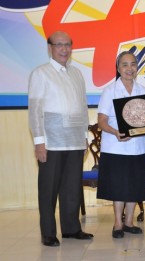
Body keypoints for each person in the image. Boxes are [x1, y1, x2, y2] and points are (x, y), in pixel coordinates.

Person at [28, 31, 93, 247]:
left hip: (75, 139)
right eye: (59, 45)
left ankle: (71, 229)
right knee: (48, 188)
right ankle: (48, 233)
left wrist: (85, 136)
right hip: (52, 141)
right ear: (50, 48)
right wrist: (39, 141)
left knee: (72, 187)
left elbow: (83, 107)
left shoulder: (76, 73)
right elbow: (35, 110)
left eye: (67, 44)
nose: (64, 49)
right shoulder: (41, 73)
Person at [97, 51, 145, 239]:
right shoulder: (110, 91)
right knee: (119, 186)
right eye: (125, 65)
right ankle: (118, 223)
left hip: (139, 147)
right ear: (118, 69)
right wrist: (115, 132)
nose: (130, 68)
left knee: (135, 185)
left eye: (133, 64)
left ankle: (129, 222)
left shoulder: (144, 91)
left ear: (137, 67)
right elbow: (102, 120)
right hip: (115, 147)